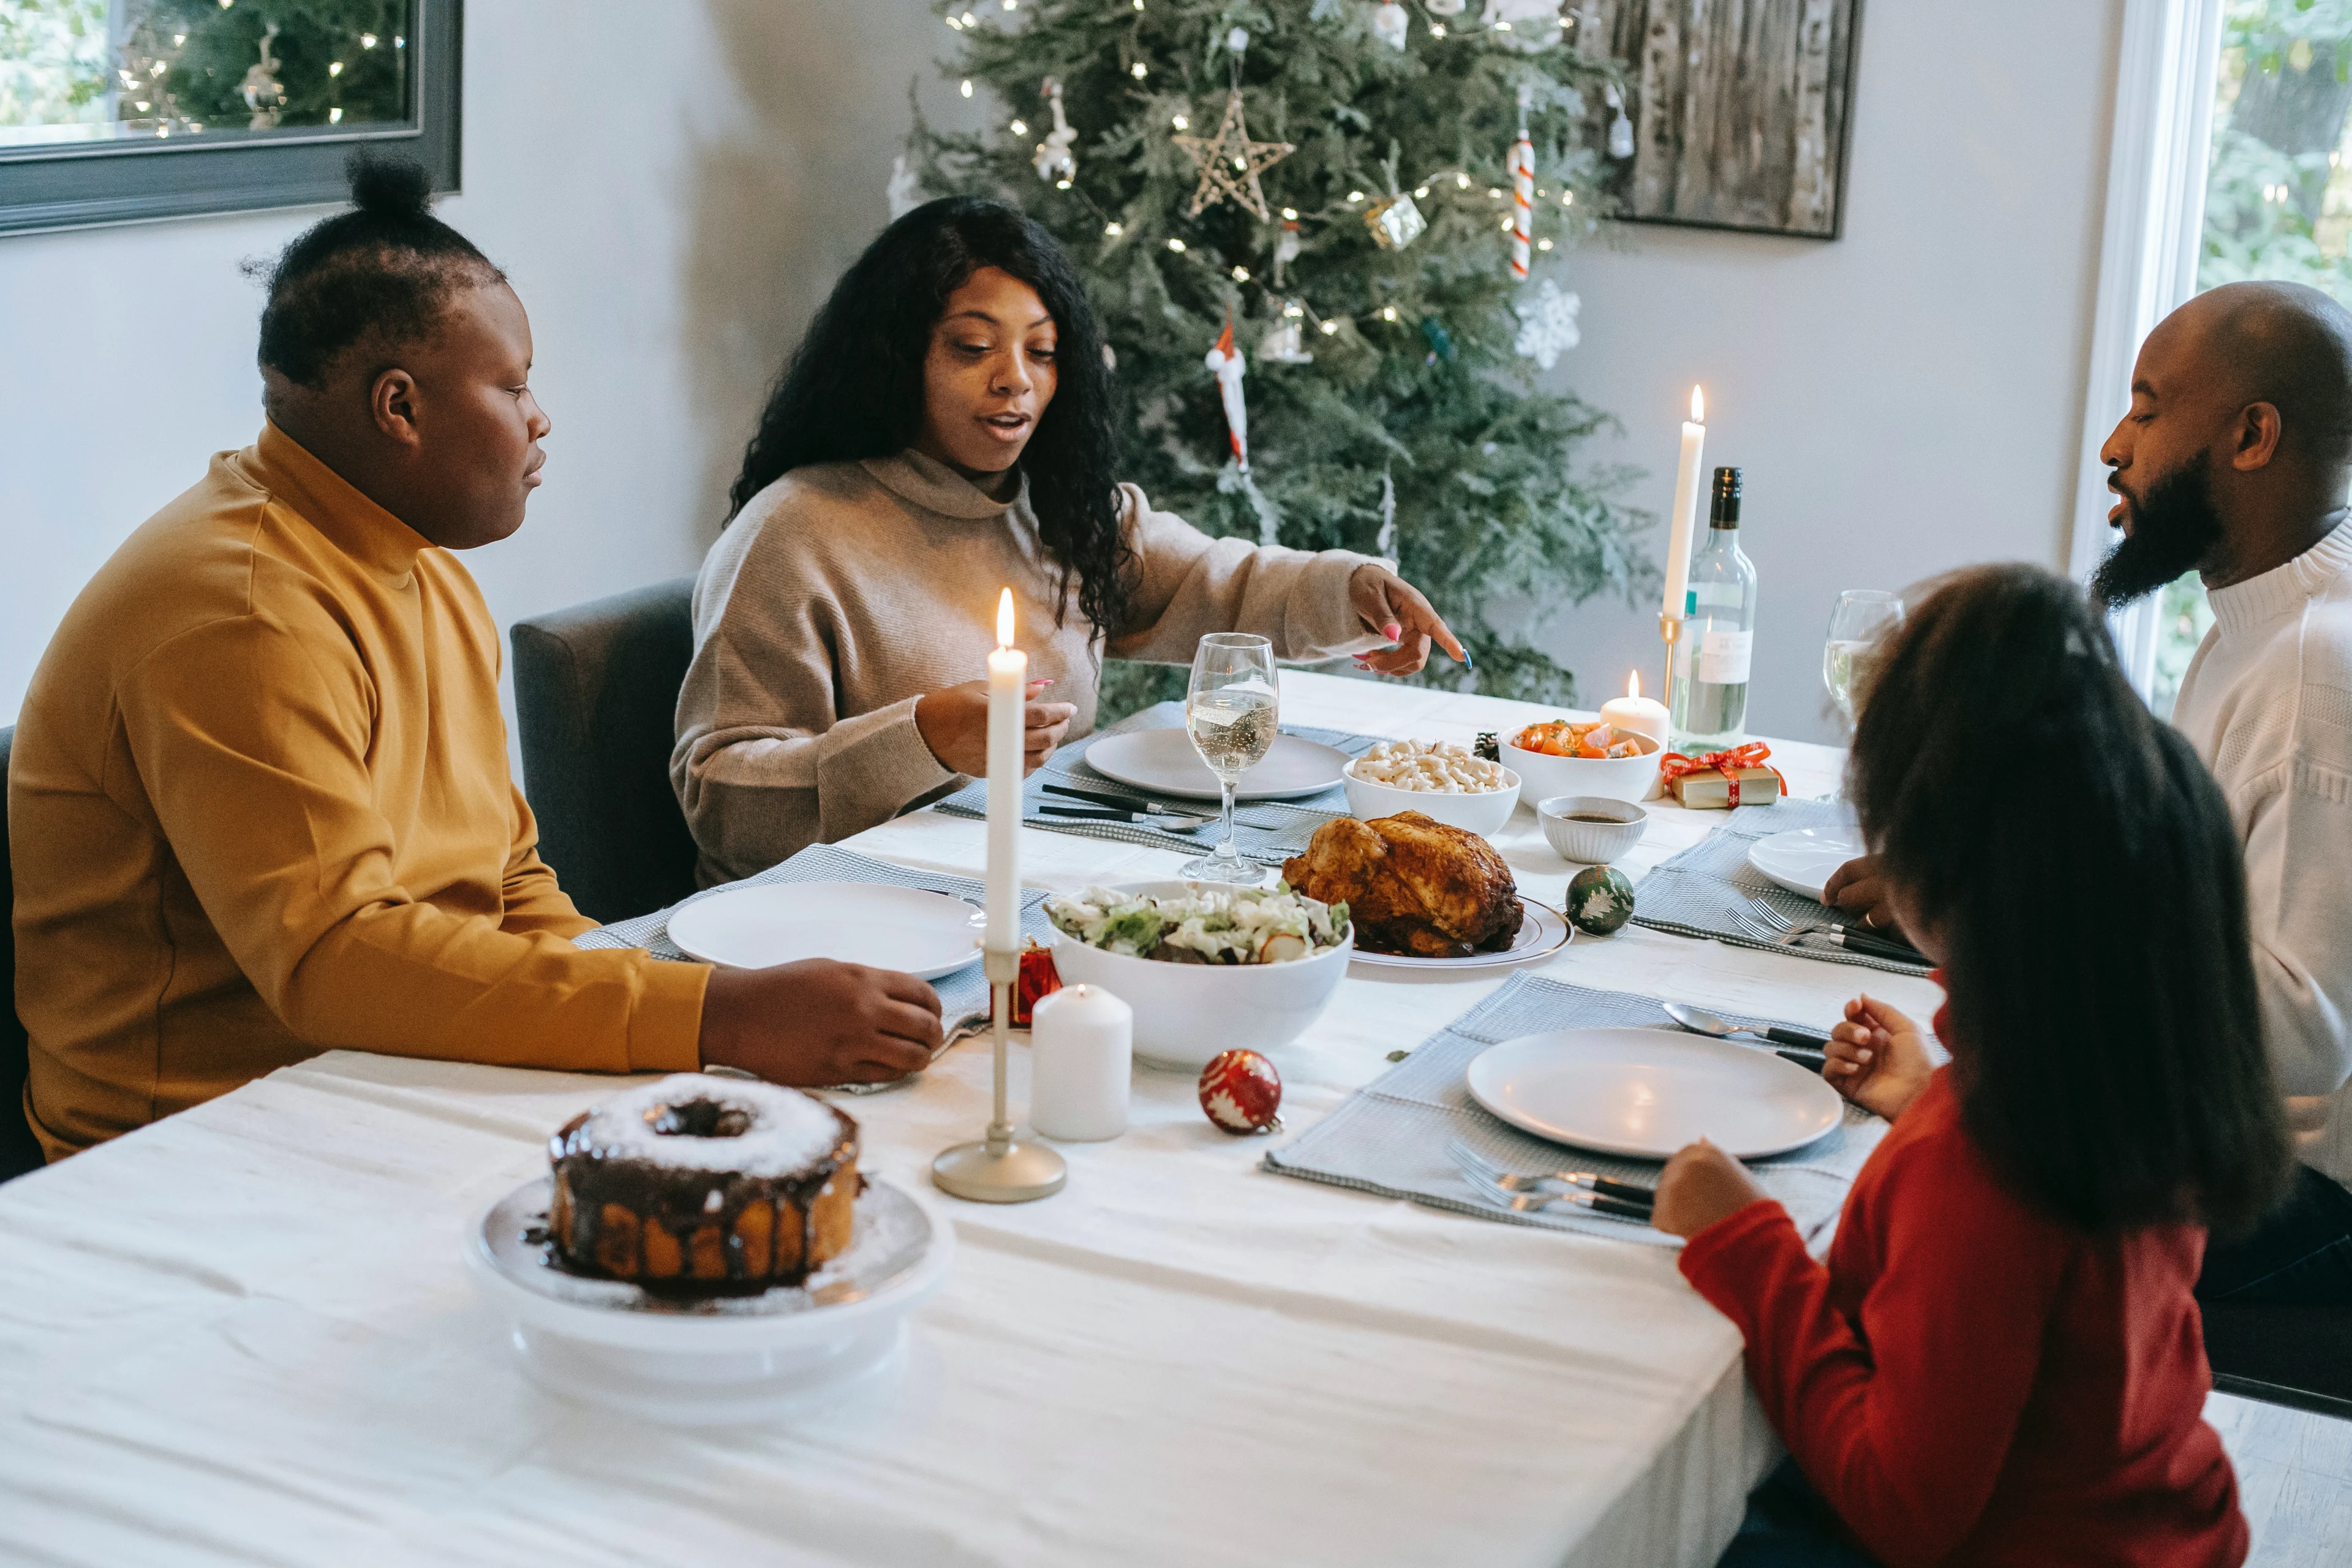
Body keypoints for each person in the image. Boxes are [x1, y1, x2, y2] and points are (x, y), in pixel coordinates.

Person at [9, 157, 941, 1161]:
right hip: (195, 1139)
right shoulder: (238, 610)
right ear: (399, 408)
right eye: (514, 383)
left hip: (384, 1069)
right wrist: (718, 1015)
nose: (540, 417)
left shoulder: (421, 565)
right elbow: (337, 960)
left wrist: (650, 1016)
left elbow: (505, 879)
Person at [1655, 565, 2286, 1567]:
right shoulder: (2130, 1064)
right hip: (2162, 1531)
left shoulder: (1982, 1167)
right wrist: (1926, 1097)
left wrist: (1748, 1244)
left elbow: (1900, 1508)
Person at [671, 195, 1466, 884]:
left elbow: (1216, 583)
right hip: (835, 928)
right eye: (973, 348)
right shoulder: (795, 533)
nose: (1015, 378)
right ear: (894, 358)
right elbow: (723, 804)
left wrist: (1354, 588)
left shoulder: (1062, 510)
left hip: (1033, 887)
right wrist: (920, 740)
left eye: (1041, 352)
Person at [1826, 281, 2352, 1308]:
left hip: (2281, 1204)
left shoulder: (2314, 671)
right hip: (2198, 1135)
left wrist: (1990, 905)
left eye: (2149, 409)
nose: (2115, 444)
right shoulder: (2257, 621)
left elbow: (2298, 1029)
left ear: (2252, 436)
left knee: (1871, 1233)